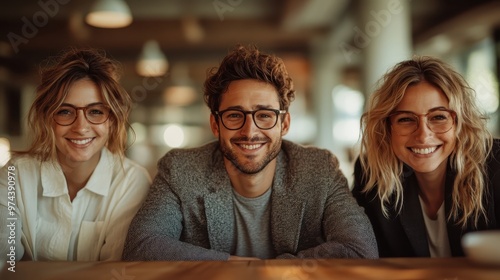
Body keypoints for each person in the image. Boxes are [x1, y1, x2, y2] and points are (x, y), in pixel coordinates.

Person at [123, 44, 378, 261]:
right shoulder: (179, 169)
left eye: (264, 115)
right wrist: (239, 265)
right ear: (215, 125)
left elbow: (360, 248)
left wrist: (271, 270)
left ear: (285, 124)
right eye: (235, 115)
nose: (249, 131)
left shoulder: (318, 169)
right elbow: (141, 246)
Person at [0, 48, 151, 261]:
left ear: (112, 120)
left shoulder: (131, 181)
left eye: (96, 111)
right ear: (47, 118)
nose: (81, 127)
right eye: (65, 111)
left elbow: (113, 270)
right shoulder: (15, 174)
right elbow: (6, 265)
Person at [352, 56, 500, 258]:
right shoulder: (372, 174)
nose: (423, 135)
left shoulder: (495, 165)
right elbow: (361, 254)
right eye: (406, 119)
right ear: (388, 127)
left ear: (460, 122)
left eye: (438, 117)